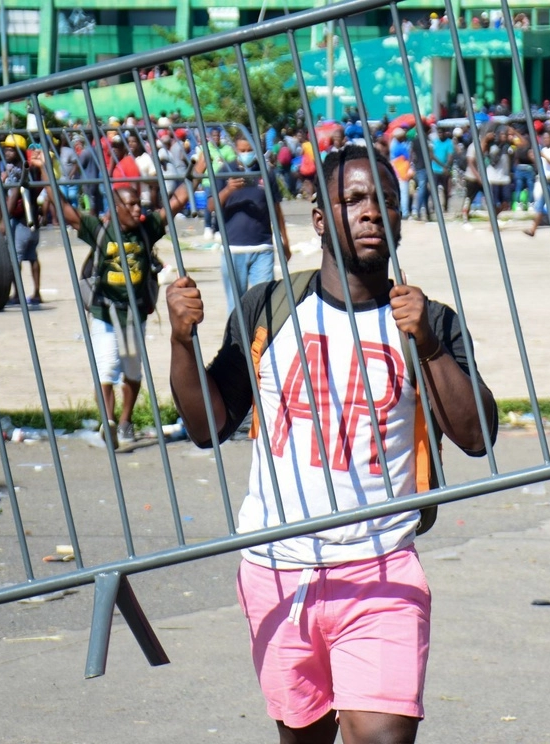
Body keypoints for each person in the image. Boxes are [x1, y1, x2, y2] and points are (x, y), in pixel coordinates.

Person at [166, 145, 497, 744]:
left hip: (382, 570)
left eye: (386, 201)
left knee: (382, 736)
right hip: (276, 569)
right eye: (355, 199)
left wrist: (427, 344)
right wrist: (180, 341)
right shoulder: (269, 308)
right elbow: (207, 426)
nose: (372, 212)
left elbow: (476, 436)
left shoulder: (428, 320)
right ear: (320, 218)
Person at [51, 147, 204, 448]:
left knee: (132, 372)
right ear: (116, 207)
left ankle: (125, 422)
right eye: (132, 205)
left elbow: (177, 201)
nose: (138, 210)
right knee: (106, 369)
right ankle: (108, 422)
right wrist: (46, 173)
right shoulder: (99, 230)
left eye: (139, 204)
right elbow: (63, 209)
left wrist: (197, 170)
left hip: (135, 315)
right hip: (105, 313)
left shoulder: (147, 230)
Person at [214, 137, 290, 315]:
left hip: (262, 247)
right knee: (236, 306)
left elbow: (276, 209)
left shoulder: (266, 172)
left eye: (250, 150)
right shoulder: (224, 171)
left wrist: (285, 240)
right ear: (235, 150)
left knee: (265, 301)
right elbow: (211, 206)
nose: (246, 154)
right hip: (233, 249)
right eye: (242, 150)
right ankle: (237, 333)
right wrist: (228, 189)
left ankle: (262, 332)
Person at [0, 134, 43, 306]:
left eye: (11, 150)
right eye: (6, 149)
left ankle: (17, 294)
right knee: (32, 256)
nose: (7, 152)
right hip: (32, 219)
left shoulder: (19, 171)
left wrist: (4, 220)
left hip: (22, 221)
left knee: (14, 258)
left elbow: (14, 196)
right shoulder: (29, 168)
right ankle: (37, 293)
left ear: (19, 151)